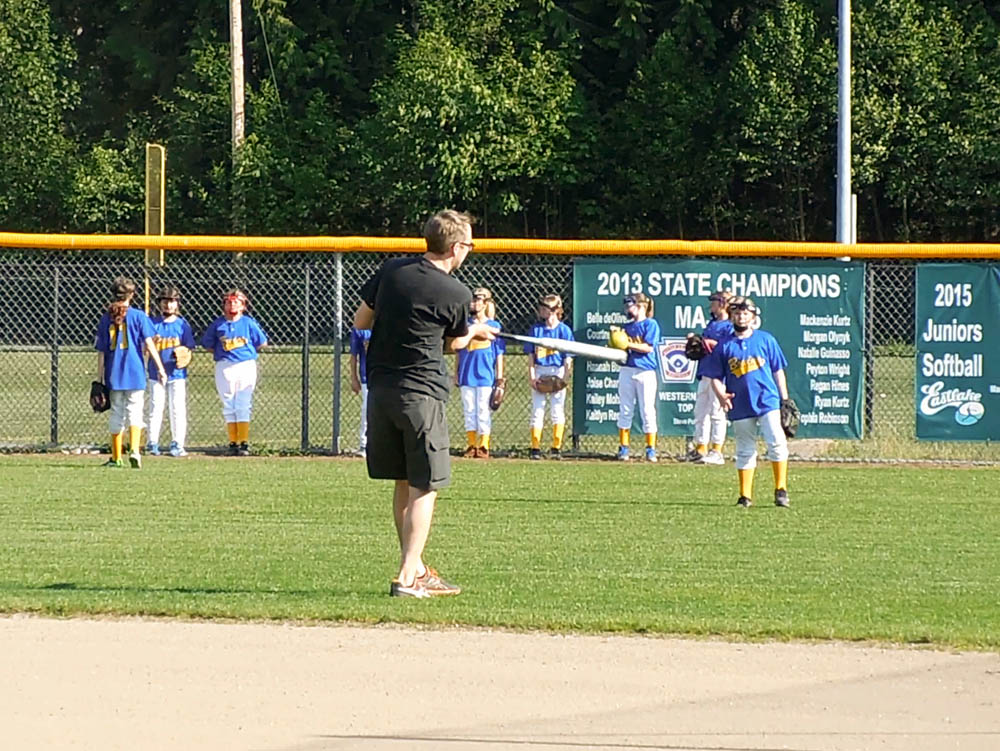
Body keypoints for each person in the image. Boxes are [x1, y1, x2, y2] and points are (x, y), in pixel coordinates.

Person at [354, 209, 494, 598]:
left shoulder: (392, 270)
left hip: (381, 390)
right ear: (455, 247)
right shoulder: (457, 293)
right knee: (426, 484)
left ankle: (414, 567)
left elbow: (361, 320)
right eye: (468, 244)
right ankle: (406, 576)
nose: (469, 250)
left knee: (403, 480)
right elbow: (453, 343)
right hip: (421, 395)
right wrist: (477, 331)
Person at [701, 296, 791, 508]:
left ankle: (781, 489)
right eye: (738, 313)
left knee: (776, 442)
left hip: (767, 400)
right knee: (744, 448)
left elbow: (778, 370)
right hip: (739, 402)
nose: (741, 317)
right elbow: (714, 375)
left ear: (753, 317)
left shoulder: (765, 339)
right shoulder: (724, 345)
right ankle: (745, 495)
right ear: (732, 316)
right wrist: (721, 395)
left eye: (745, 313)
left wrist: (784, 398)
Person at [94, 277, 167, 469]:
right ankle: (135, 450)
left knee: (117, 412)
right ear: (131, 295)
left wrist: (99, 377)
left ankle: (116, 457)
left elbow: (102, 352)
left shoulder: (106, 317)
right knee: (135, 412)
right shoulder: (138, 316)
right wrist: (160, 368)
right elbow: (150, 344)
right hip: (134, 372)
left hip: (113, 373)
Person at [201, 289, 268, 456]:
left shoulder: (248, 323)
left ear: (243, 306)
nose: (232, 305)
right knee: (229, 403)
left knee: (243, 402)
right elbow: (208, 344)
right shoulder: (218, 324)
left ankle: (244, 442)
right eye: (229, 302)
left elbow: (261, 343)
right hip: (225, 365)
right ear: (224, 305)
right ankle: (233, 442)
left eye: (236, 302)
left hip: (245, 365)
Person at [145, 286, 197, 458]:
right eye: (165, 301)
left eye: (172, 301)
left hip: (177, 373)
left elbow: (189, 349)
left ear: (177, 304)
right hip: (155, 372)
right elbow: (144, 349)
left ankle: (178, 443)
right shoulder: (152, 324)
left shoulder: (182, 325)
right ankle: (152, 442)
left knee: (177, 408)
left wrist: (185, 354)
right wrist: (151, 342)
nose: (168, 305)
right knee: (155, 407)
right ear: (160, 304)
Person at [685, 290, 735, 465]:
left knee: (717, 413)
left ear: (722, 303)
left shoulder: (729, 325)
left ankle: (717, 451)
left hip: (719, 376)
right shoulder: (712, 324)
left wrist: (704, 342)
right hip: (705, 371)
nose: (711, 305)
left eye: (714, 301)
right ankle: (701, 448)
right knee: (700, 413)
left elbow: (725, 348)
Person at [455, 287, 505, 458]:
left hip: (485, 375)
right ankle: (471, 444)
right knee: (469, 409)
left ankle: (484, 445)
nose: (474, 303)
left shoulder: (493, 326)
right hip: (467, 373)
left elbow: (499, 353)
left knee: (483, 410)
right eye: (473, 300)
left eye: (477, 300)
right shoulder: (466, 324)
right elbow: (459, 351)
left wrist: (500, 376)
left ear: (485, 304)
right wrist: (456, 372)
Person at [525, 293, 574, 460]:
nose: (540, 310)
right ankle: (535, 447)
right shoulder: (536, 329)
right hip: (540, 369)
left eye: (544, 307)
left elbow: (568, 357)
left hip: (557, 370)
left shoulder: (564, 330)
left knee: (557, 409)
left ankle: (556, 446)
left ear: (554, 310)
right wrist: (532, 376)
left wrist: (565, 377)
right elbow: (531, 354)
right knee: (538, 410)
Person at [615, 293, 661, 462]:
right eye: (626, 306)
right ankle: (624, 447)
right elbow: (622, 350)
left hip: (645, 371)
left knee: (647, 410)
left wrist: (627, 344)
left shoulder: (650, 324)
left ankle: (650, 448)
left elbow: (648, 347)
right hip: (627, 369)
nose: (627, 310)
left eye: (630, 306)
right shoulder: (626, 327)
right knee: (625, 409)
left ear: (641, 306)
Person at [349, 326, 372, 457]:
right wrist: (354, 378)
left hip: (385, 375)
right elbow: (353, 356)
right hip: (367, 377)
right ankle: (364, 444)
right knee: (366, 408)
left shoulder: (387, 322)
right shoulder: (360, 329)